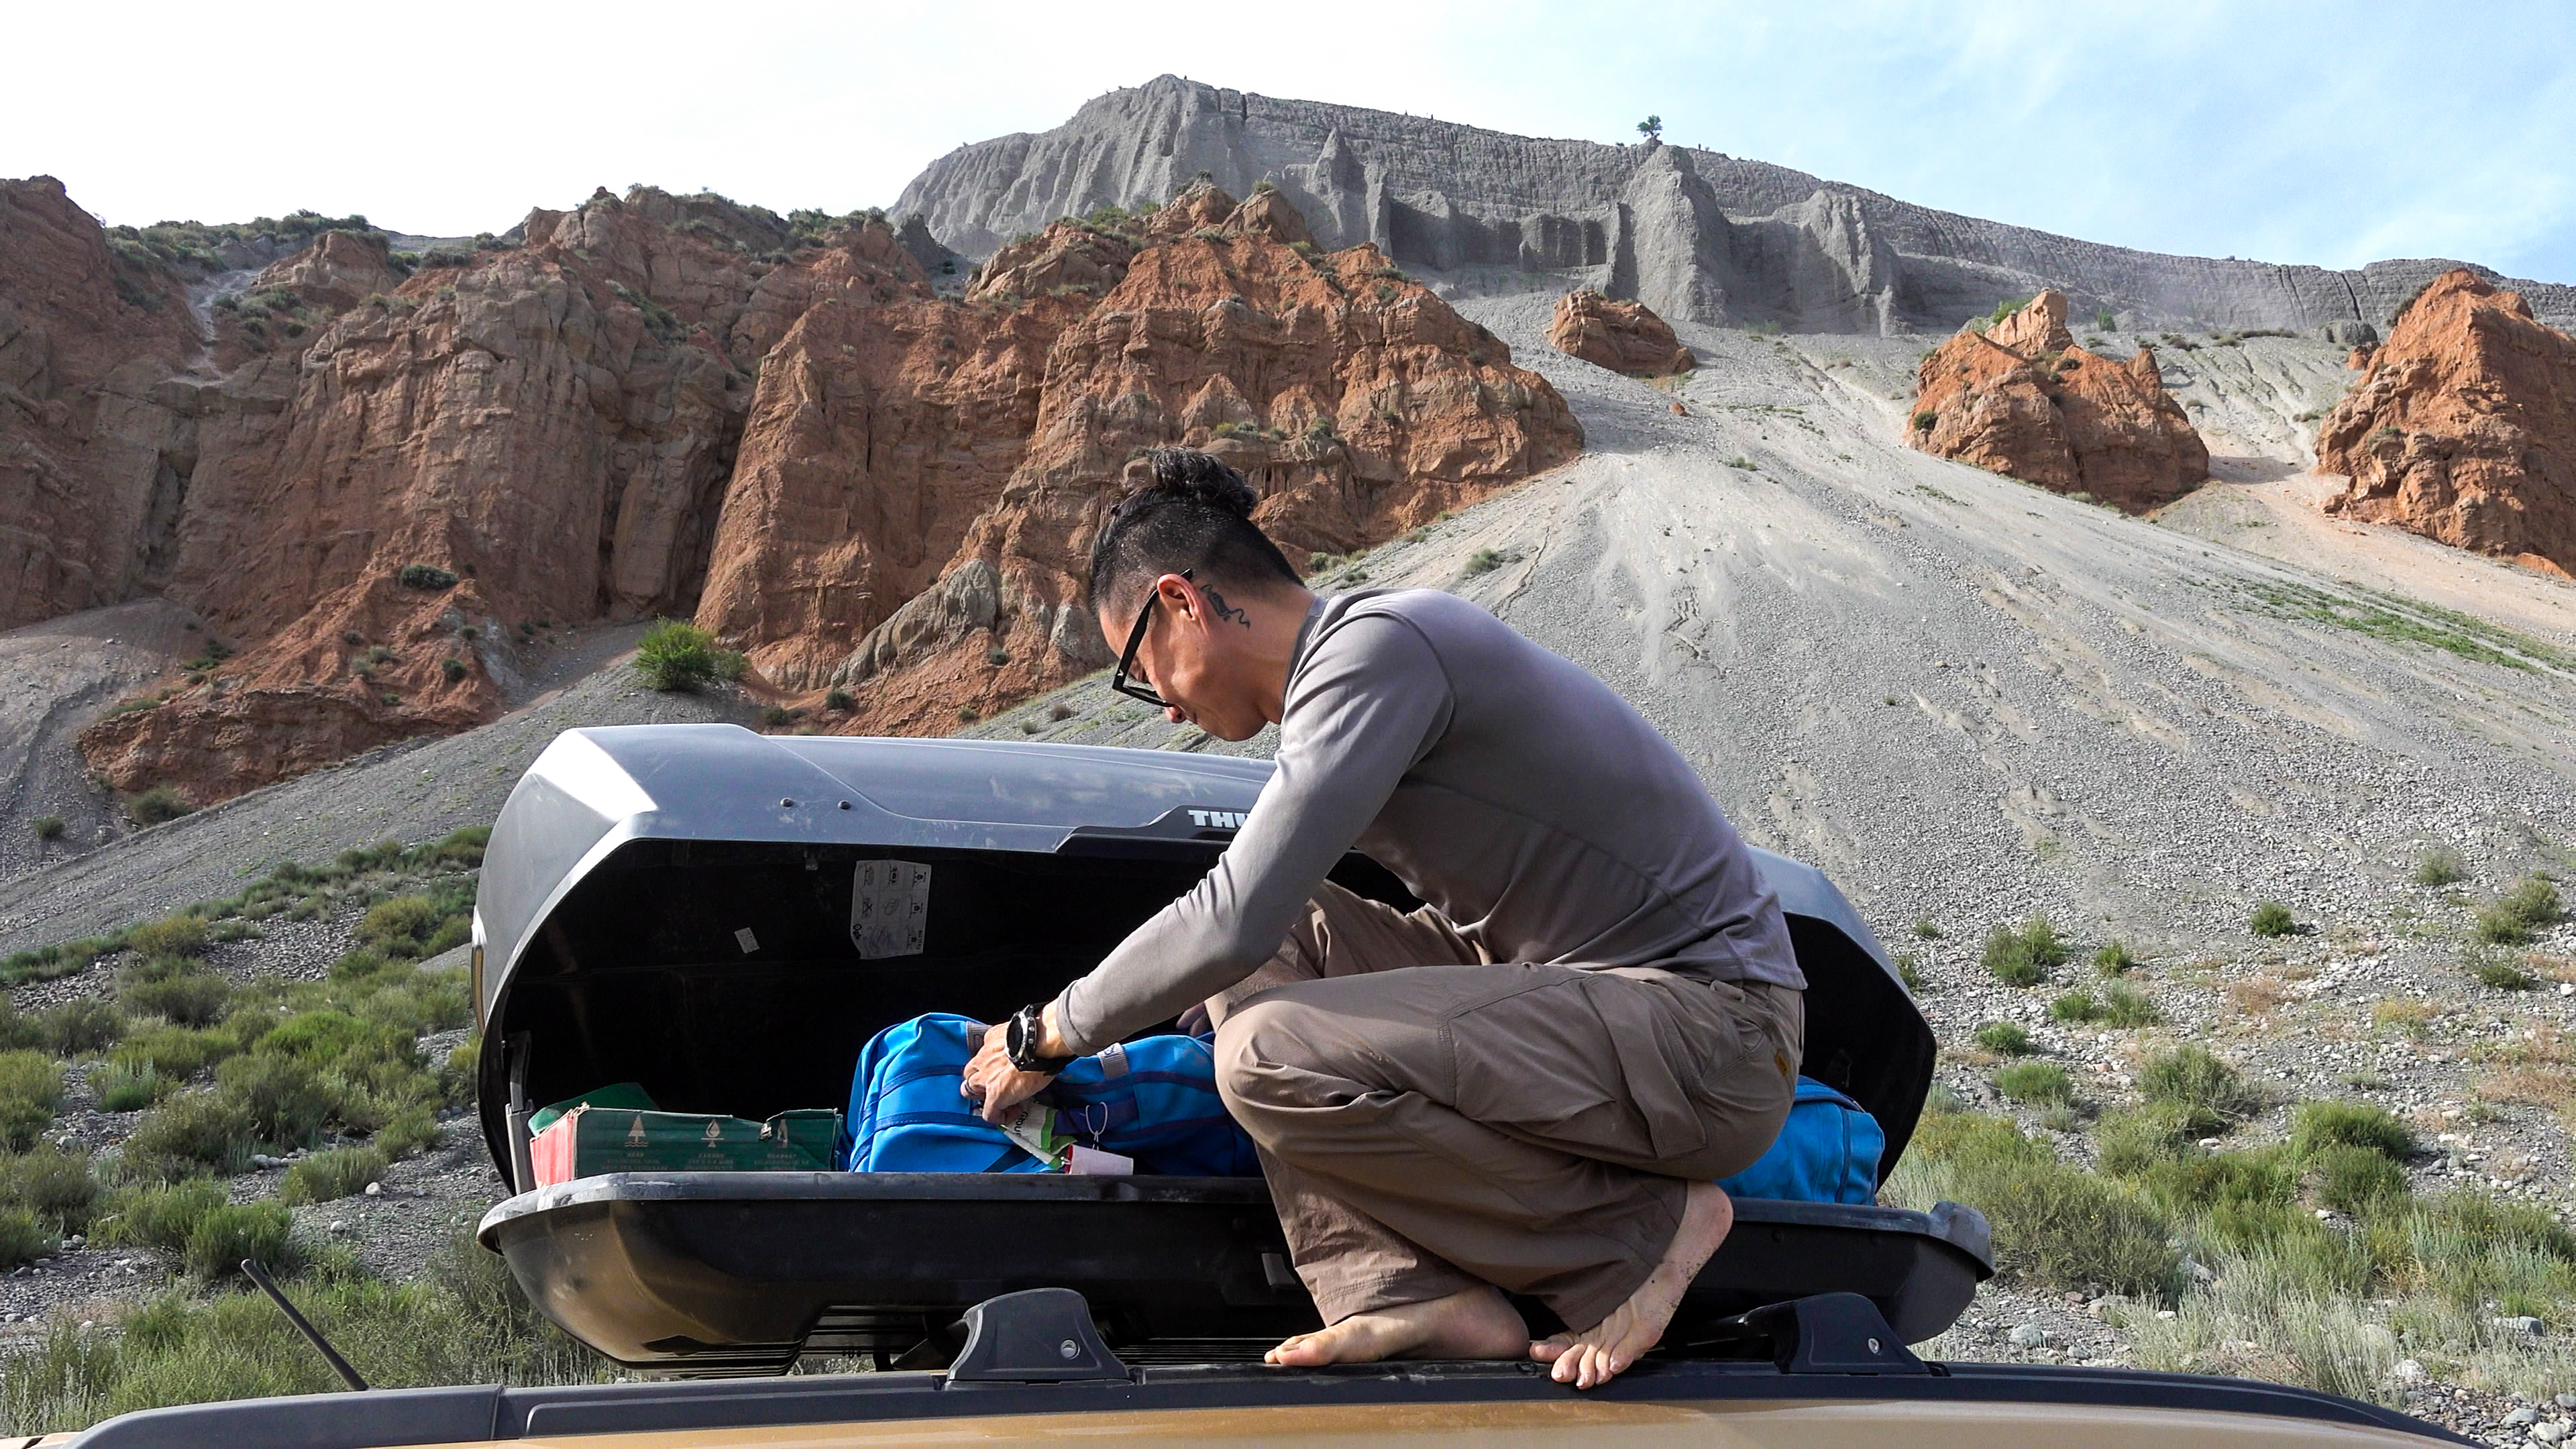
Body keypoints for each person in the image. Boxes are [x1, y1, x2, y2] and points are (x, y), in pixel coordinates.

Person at [961, 448, 1805, 1389]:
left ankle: (1639, 1240)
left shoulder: (1379, 651)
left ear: (1181, 603)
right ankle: (1402, 1288)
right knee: (1274, 948)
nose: (1160, 706)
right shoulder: (1359, 663)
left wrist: (1047, 1032)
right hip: (1587, 1000)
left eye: (1138, 667)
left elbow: (1227, 916)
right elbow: (1251, 923)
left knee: (1263, 1052)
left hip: (1714, 1030)